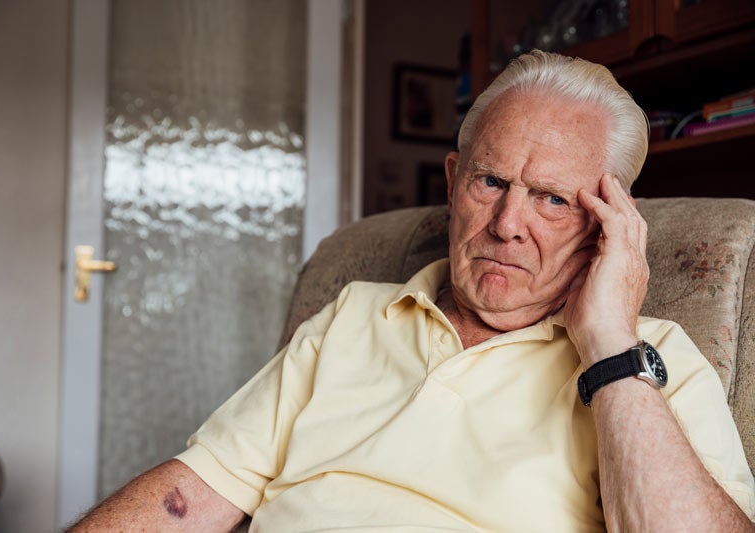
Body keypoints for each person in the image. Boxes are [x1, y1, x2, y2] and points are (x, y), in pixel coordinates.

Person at [69, 50, 755, 532]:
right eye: (490, 182)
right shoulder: (351, 316)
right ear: (454, 182)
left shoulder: (651, 361)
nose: (508, 224)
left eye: (551, 198)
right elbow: (188, 495)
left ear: (608, 222)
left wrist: (609, 349)